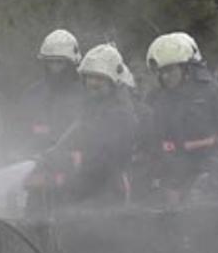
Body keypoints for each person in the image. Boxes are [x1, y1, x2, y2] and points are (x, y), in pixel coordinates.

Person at [30, 44, 138, 208]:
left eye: (99, 78)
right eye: (89, 77)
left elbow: (107, 159)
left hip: (106, 197)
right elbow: (73, 139)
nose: (92, 83)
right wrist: (50, 156)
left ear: (112, 81)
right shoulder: (90, 110)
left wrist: (67, 159)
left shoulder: (120, 116)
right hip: (82, 192)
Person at [145, 32, 218, 203]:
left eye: (169, 70)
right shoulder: (155, 98)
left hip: (209, 178)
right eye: (160, 72)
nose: (165, 77)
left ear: (188, 68)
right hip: (169, 178)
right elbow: (149, 139)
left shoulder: (216, 94)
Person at [15, 29, 85, 156]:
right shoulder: (33, 95)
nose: (55, 67)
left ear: (71, 64)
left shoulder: (87, 95)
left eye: (59, 62)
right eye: (50, 62)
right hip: (37, 165)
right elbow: (20, 133)